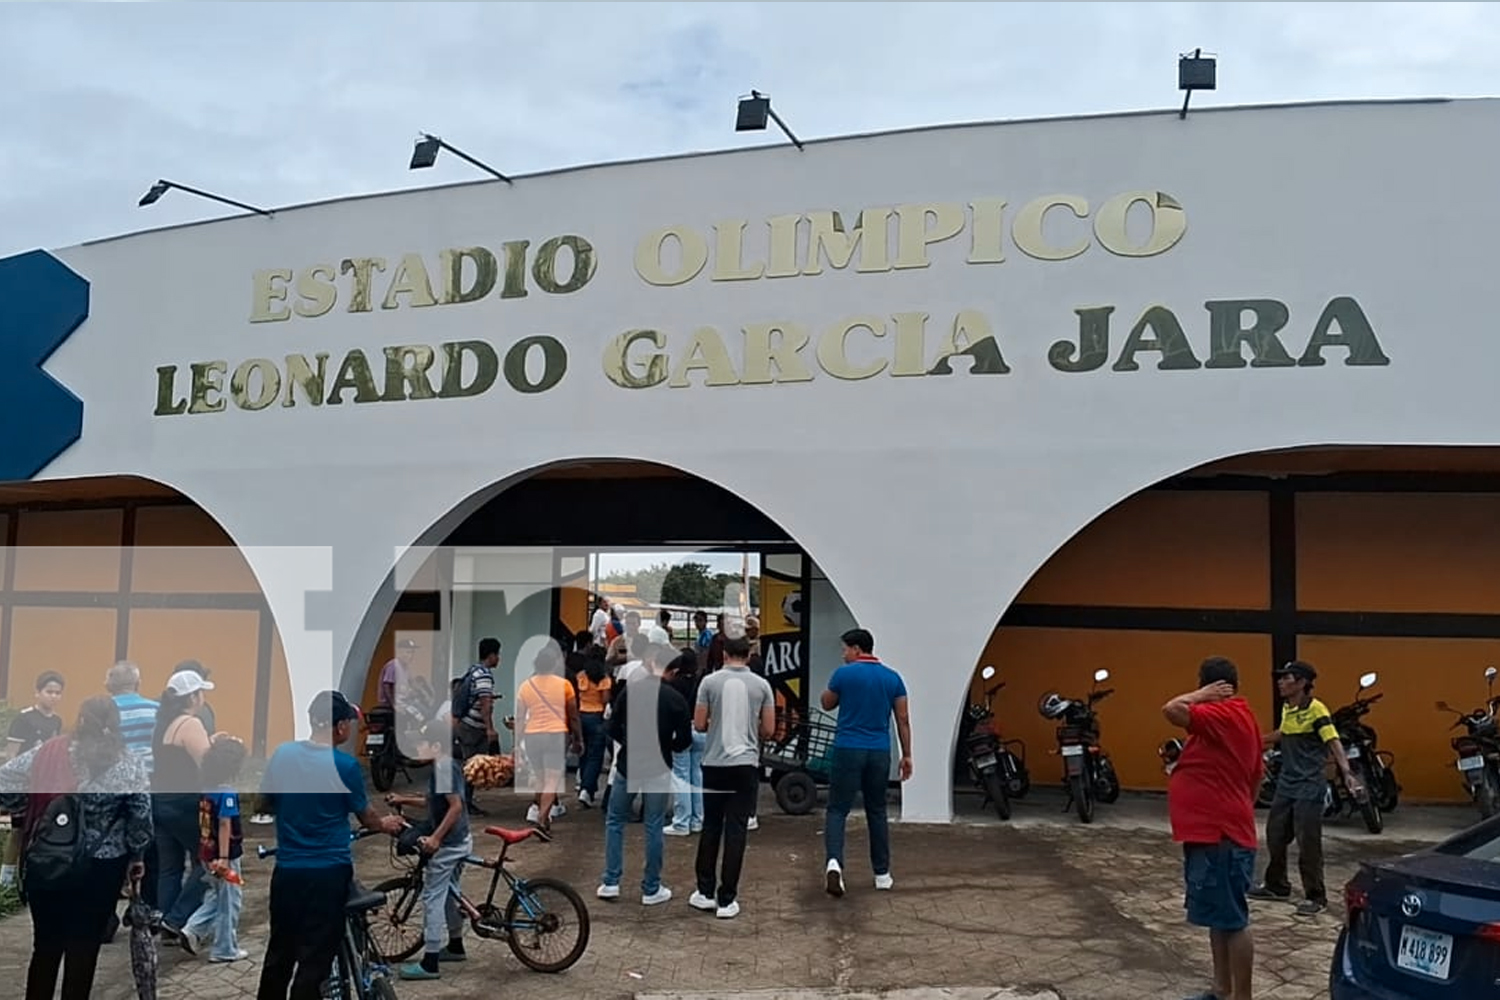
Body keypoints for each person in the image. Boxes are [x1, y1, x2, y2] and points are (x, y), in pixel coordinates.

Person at [254, 690, 404, 1000]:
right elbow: (367, 817)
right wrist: (386, 825)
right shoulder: (345, 767)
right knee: (315, 957)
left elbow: (263, 803)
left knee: (280, 953)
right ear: (338, 727)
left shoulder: (282, 755)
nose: (349, 728)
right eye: (348, 722)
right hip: (328, 874)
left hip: (288, 872)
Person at [0, 696, 152, 1000]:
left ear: (80, 719)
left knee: (45, 946)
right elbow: (141, 819)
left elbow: (6, 781)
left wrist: (30, 809)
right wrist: (137, 856)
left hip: (48, 860)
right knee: (84, 947)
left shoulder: (50, 751)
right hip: (101, 868)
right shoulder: (129, 764)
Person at [1163, 656, 1264, 1000]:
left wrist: (1199, 694)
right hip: (1215, 833)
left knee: (1233, 920)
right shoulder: (1234, 720)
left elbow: (1172, 710)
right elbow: (1256, 780)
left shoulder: (1225, 713)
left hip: (1221, 836)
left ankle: (1242, 996)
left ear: (1212, 686)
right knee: (1219, 917)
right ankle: (1222, 990)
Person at [1248, 660, 1360, 916]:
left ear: (1301, 683)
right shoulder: (1288, 708)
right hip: (1287, 784)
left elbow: (1332, 741)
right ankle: (1277, 885)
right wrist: (1255, 740)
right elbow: (1284, 733)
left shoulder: (1316, 709)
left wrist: (1347, 773)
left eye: (1285, 678)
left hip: (1309, 786)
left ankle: (1316, 896)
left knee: (1308, 842)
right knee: (1275, 835)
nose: (1279, 682)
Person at [597, 643, 691, 906]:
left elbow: (612, 726)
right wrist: (667, 746)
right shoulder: (676, 700)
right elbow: (684, 741)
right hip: (658, 766)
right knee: (654, 825)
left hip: (629, 764)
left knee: (615, 821)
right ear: (672, 671)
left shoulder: (631, 690)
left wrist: (628, 742)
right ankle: (651, 888)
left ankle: (610, 882)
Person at [820, 627, 911, 897]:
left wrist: (834, 691)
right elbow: (903, 719)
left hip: (848, 748)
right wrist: (907, 755)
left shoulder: (843, 674)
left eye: (845, 649)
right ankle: (882, 874)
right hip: (879, 751)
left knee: (837, 810)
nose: (843, 653)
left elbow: (827, 703)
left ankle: (834, 863)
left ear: (857, 649)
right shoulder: (893, 678)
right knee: (877, 811)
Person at [691, 635, 775, 919]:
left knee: (711, 826)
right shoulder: (762, 686)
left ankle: (704, 892)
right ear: (749, 655)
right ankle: (727, 899)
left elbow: (700, 724)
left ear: (725, 654)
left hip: (714, 763)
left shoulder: (709, 683)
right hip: (745, 765)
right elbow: (769, 730)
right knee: (736, 830)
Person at [386, 721, 472, 981]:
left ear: (436, 746)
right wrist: (404, 800)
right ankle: (455, 945)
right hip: (460, 839)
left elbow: (455, 807)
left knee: (432, 898)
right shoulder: (443, 767)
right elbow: (432, 801)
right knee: (447, 895)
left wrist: (435, 838)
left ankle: (430, 962)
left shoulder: (444, 768)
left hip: (449, 845)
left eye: (423, 743)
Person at [153, 668, 217, 939]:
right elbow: (206, 763)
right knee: (208, 860)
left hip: (161, 801)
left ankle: (167, 919)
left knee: (170, 867)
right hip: (186, 803)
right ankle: (179, 917)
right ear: (192, 697)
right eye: (200, 692)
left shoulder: (164, 724)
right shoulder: (190, 724)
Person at [180, 736, 250, 962]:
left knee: (216, 896)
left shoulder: (206, 790)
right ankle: (224, 948)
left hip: (205, 854)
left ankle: (193, 929)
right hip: (224, 858)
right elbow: (224, 824)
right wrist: (224, 857)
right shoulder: (227, 794)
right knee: (231, 900)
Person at [0, 671, 65, 887]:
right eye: (49, 692)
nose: (53, 697)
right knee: (18, 829)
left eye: (57, 693)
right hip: (22, 782)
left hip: (45, 783)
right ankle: (6, 877)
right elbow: (11, 754)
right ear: (37, 693)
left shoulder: (57, 721)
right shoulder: (23, 718)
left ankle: (31, 872)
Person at [516, 642, 582, 833]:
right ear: (554, 664)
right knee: (552, 779)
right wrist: (578, 739)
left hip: (532, 736)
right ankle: (543, 818)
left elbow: (520, 717)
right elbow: (574, 716)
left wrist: (517, 743)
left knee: (540, 776)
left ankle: (538, 810)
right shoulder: (565, 685)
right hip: (556, 735)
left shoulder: (525, 686)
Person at [454, 638, 500, 816]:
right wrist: (490, 728)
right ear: (492, 655)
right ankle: (464, 803)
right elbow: (485, 703)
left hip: (466, 723)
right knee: (472, 766)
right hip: (474, 727)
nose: (498, 658)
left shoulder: (473, 670)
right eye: (497, 654)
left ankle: (463, 801)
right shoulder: (485, 675)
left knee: (469, 764)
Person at [665, 649, 706, 836]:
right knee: (697, 775)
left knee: (681, 777)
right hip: (700, 730)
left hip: (680, 732)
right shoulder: (701, 682)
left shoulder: (674, 684)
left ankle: (682, 822)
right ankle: (698, 820)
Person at [572, 645, 612, 808]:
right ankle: (587, 790)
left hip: (581, 716)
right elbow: (605, 700)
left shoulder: (580, 675)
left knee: (583, 753)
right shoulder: (604, 678)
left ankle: (584, 785)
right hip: (597, 718)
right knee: (595, 757)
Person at [379, 638, 418, 709]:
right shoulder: (393, 665)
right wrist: (394, 705)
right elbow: (387, 686)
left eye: (412, 653)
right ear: (400, 652)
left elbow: (412, 684)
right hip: (390, 706)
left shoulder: (406, 668)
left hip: (404, 703)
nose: (410, 655)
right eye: (408, 652)